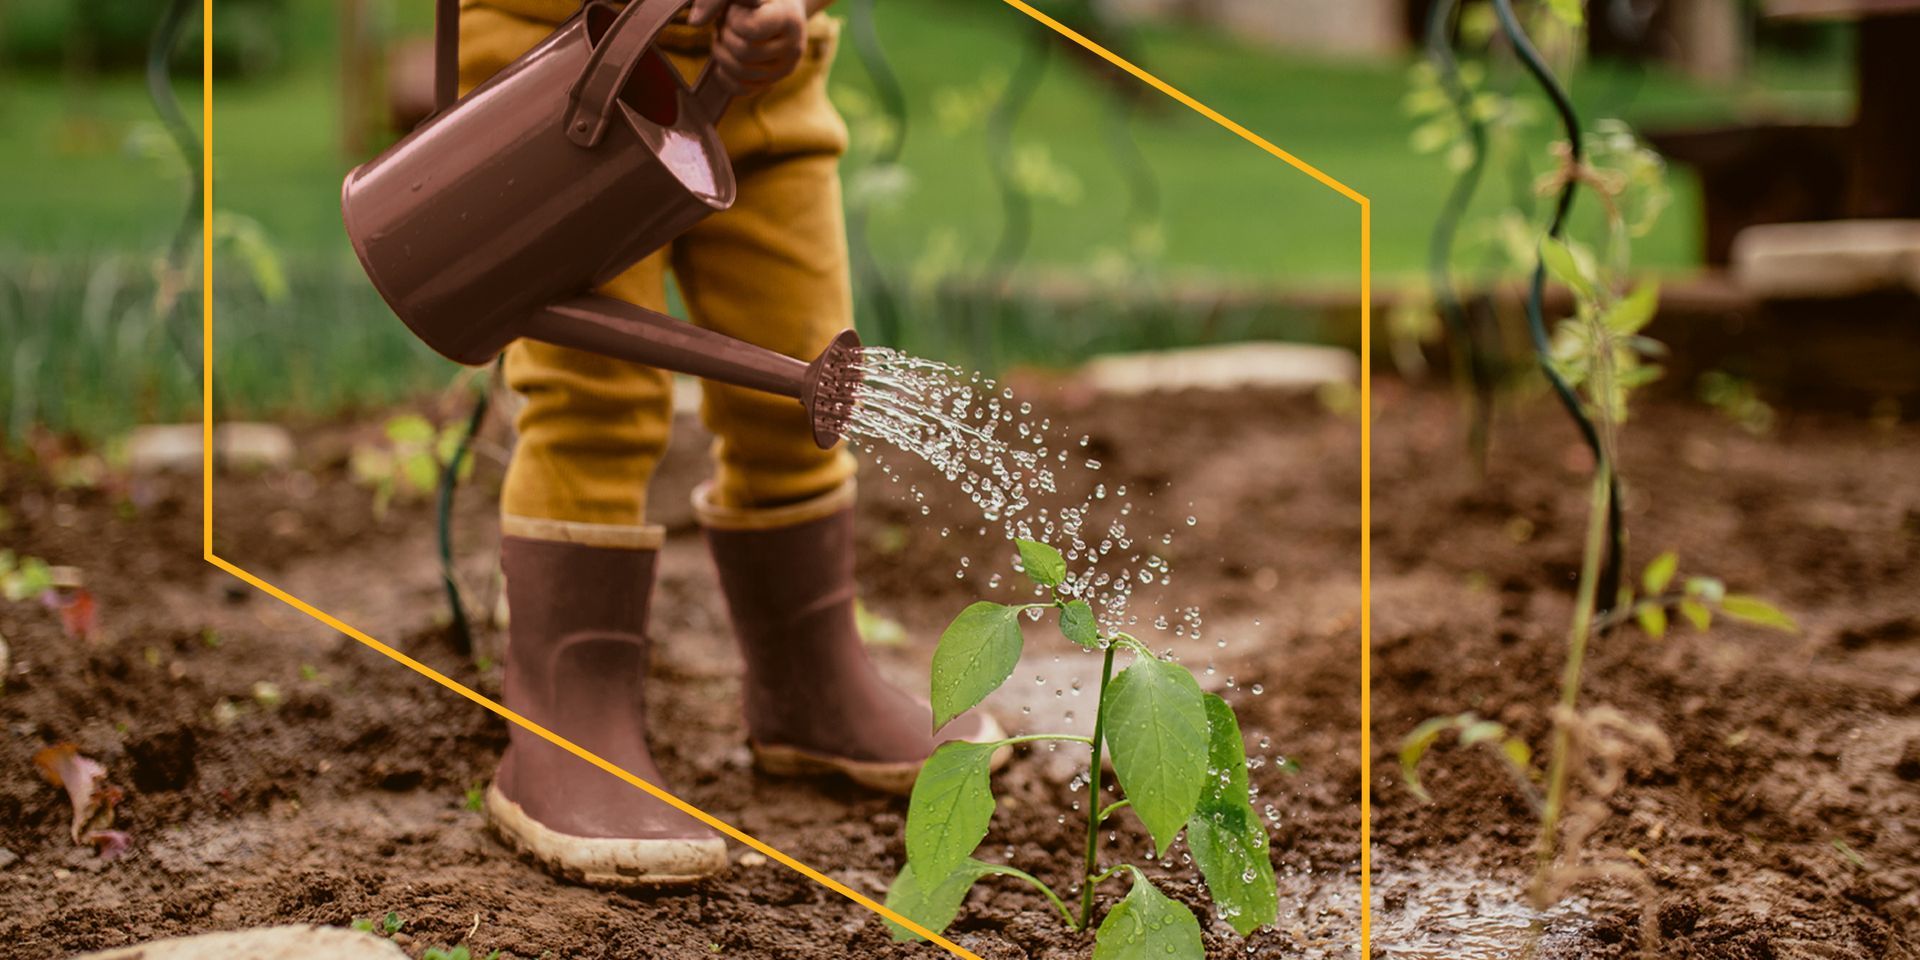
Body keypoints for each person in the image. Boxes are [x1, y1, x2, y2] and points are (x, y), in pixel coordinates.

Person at [458, 0, 1002, 887]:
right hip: (566, 63)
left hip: (764, 79)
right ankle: (566, 725)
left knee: (805, 378)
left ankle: (809, 682)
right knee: (595, 398)